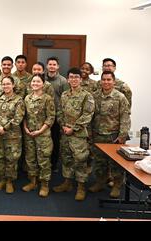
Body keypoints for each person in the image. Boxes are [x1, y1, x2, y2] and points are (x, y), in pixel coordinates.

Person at [53, 68, 94, 201]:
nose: (74, 79)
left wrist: (74, 128)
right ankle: (67, 183)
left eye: (77, 77)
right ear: (68, 79)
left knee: (80, 160)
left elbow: (87, 115)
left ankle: (81, 187)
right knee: (66, 158)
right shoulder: (65, 95)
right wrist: (63, 125)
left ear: (80, 79)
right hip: (65, 133)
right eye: (71, 77)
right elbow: (59, 111)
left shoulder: (86, 95)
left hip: (78, 135)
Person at [89, 71, 130, 198]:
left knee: (115, 163)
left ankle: (117, 185)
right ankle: (100, 182)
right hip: (98, 135)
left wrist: (122, 135)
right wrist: (89, 132)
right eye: (104, 80)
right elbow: (90, 115)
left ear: (113, 81)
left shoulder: (120, 97)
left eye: (109, 80)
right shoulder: (94, 96)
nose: (106, 82)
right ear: (100, 81)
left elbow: (125, 117)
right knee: (99, 162)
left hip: (113, 136)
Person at [0, 76, 25, 194]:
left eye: (8, 84)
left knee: (11, 158)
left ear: (13, 85)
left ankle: (10, 181)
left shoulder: (19, 100)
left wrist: (4, 127)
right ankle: (2, 179)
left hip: (12, 135)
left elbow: (18, 118)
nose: (5, 86)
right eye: (3, 84)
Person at [23, 74, 55, 197]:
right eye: (33, 81)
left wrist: (40, 131)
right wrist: (25, 128)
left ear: (43, 84)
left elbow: (51, 117)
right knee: (30, 159)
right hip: (29, 134)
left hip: (43, 135)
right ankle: (33, 182)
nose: (35, 83)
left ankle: (44, 185)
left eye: (38, 81)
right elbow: (24, 115)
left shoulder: (47, 98)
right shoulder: (27, 98)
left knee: (43, 160)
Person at [45, 56, 69, 173]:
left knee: (55, 140)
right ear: (47, 66)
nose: (52, 66)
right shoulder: (42, 79)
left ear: (58, 66)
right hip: (43, 116)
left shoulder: (63, 81)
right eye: (50, 64)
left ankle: (53, 164)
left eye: (54, 64)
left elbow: (65, 99)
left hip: (56, 115)